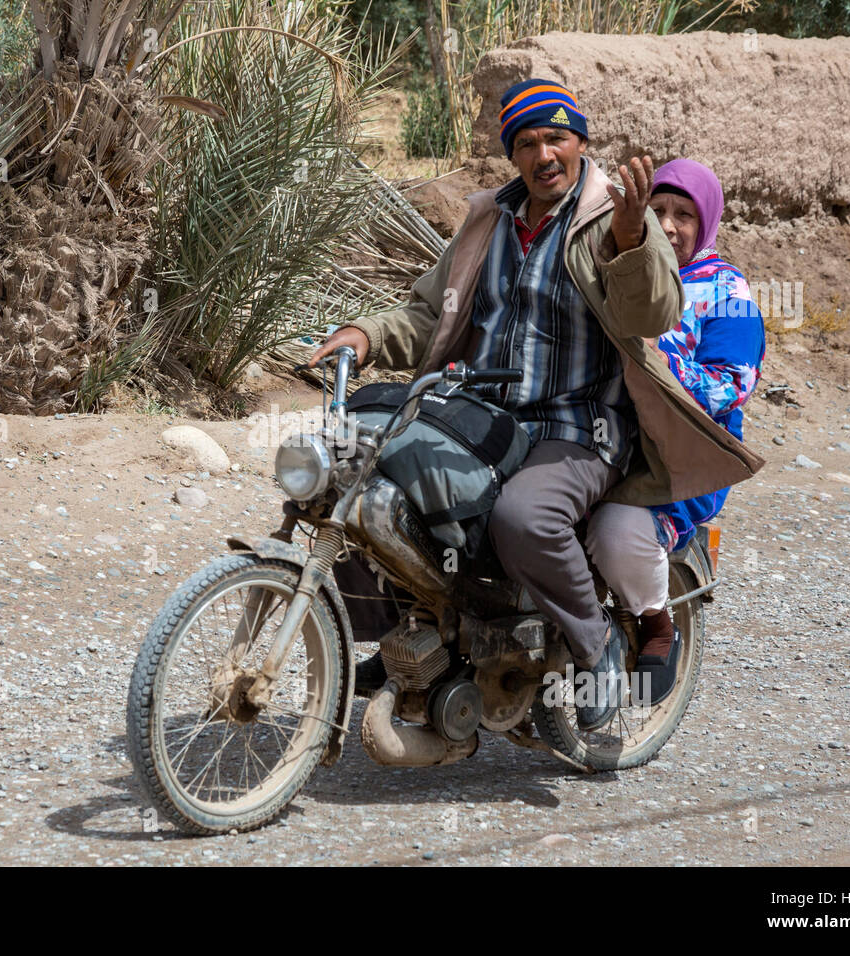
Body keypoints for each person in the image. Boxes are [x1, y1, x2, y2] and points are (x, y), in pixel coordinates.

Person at [309, 79, 764, 731]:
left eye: (557, 137)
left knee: (522, 518)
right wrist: (366, 333)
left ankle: (595, 645)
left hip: (581, 426)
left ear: (580, 142)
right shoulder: (488, 221)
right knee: (374, 467)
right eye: (527, 142)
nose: (544, 153)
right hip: (483, 413)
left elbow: (654, 312)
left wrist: (633, 242)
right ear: (513, 156)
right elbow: (425, 310)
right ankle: (419, 626)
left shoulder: (615, 215)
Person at [584, 158, 765, 705]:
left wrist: (654, 356)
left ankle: (655, 624)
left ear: (706, 222)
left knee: (615, 531)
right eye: (656, 210)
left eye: (684, 214)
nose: (666, 225)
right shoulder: (619, 269)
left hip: (681, 459)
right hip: (601, 435)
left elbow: (728, 385)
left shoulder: (729, 293)